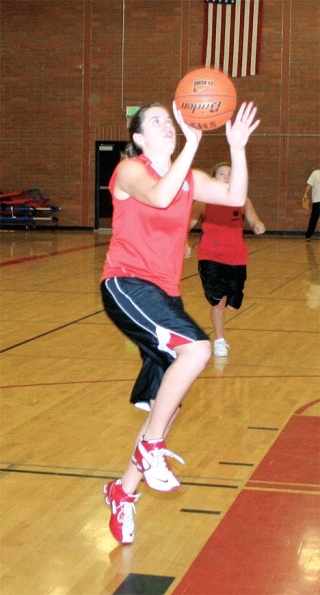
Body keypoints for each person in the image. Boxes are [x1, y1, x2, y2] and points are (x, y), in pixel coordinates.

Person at [100, 100, 260, 545]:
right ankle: (151, 451)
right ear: (138, 138)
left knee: (163, 408)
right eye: (156, 122)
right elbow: (161, 195)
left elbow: (234, 197)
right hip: (127, 284)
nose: (166, 126)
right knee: (198, 349)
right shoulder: (132, 170)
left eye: (169, 121)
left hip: (163, 295)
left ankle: (122, 492)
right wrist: (190, 145)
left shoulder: (188, 176)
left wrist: (238, 148)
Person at [187, 162, 265, 357]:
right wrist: (183, 243)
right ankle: (220, 340)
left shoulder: (242, 201)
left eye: (230, 174)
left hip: (236, 257)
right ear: (213, 179)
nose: (226, 177)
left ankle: (227, 312)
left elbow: (254, 220)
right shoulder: (204, 203)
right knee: (218, 301)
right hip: (210, 256)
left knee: (232, 304)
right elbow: (185, 226)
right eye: (221, 173)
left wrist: (258, 226)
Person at [303, 169, 320, 241]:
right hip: (317, 200)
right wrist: (305, 193)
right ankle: (308, 235)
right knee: (314, 218)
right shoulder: (315, 173)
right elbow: (310, 184)